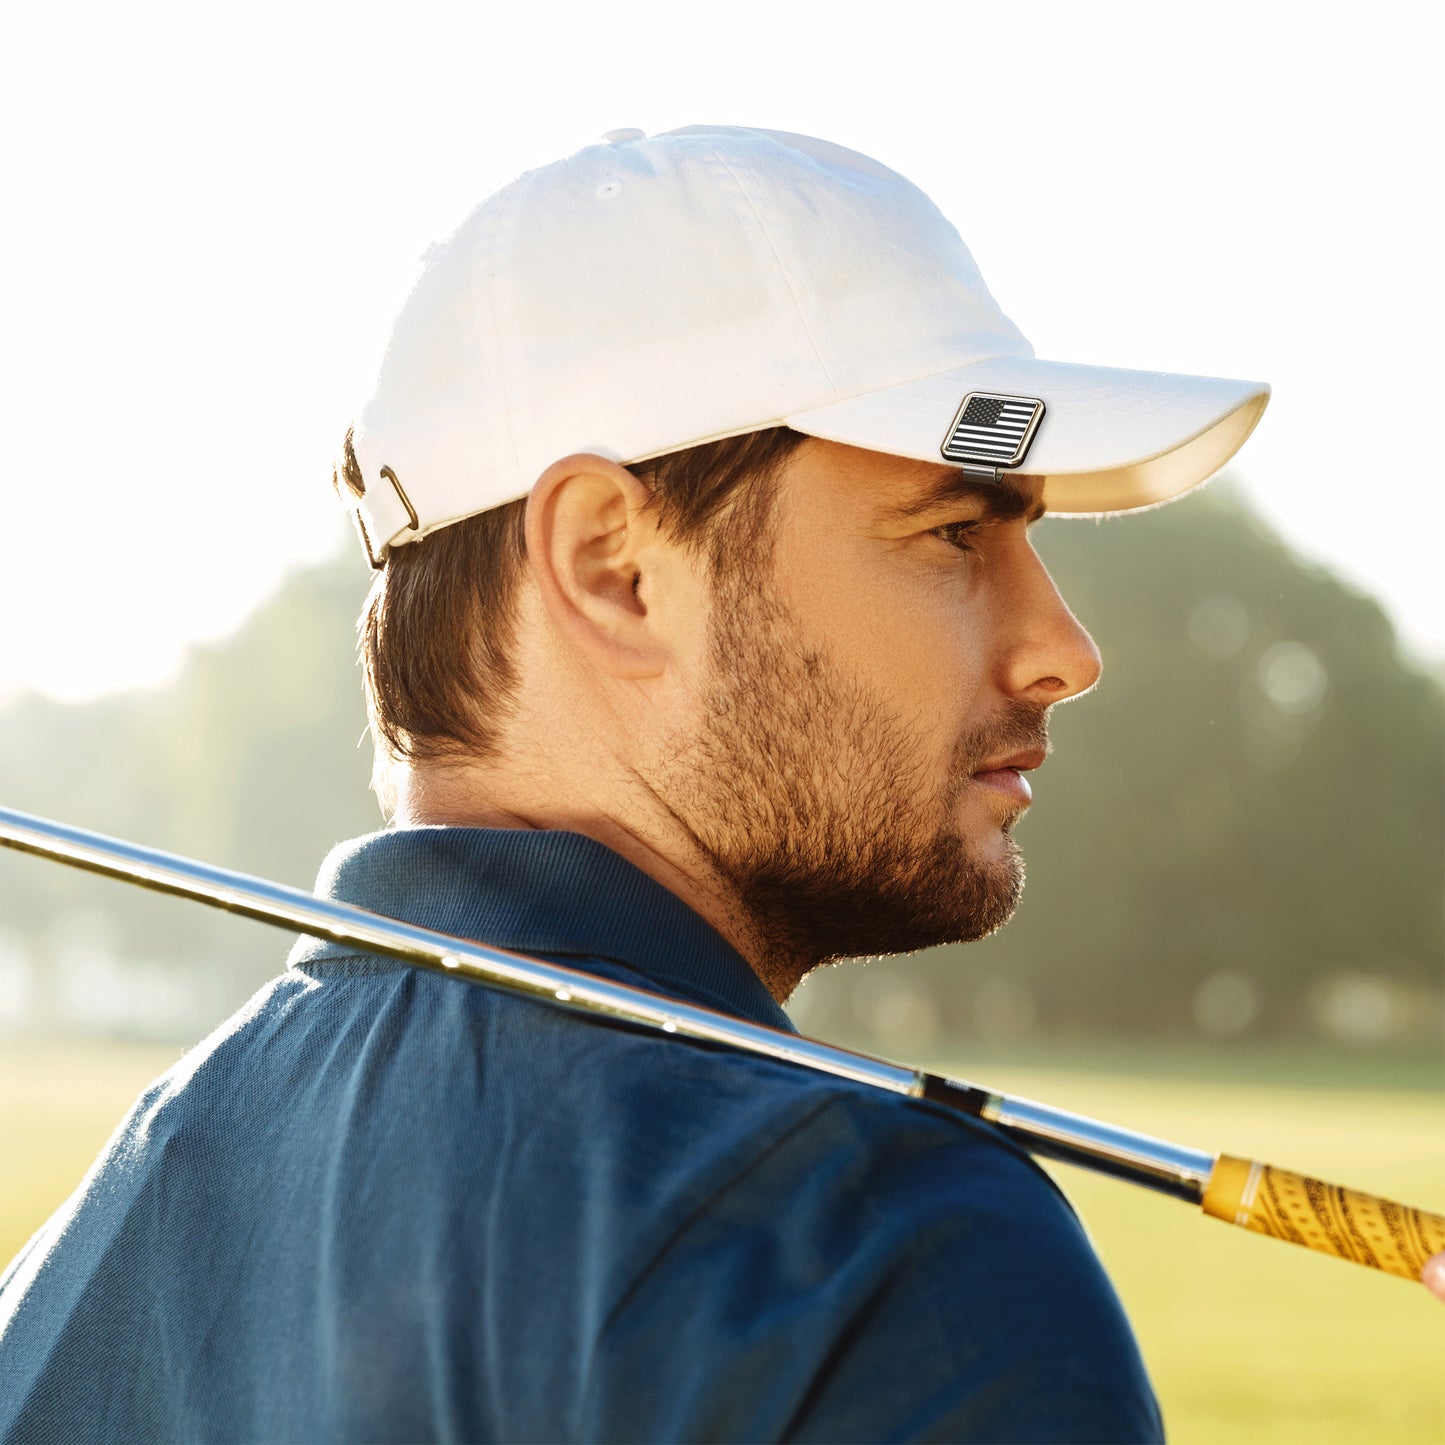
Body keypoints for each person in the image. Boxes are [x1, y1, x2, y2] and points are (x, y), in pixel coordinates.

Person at [1, 125, 1438, 1443]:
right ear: (614, 570)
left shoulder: (75, 1258)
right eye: (951, 533)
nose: (1062, 646)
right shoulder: (888, 1256)